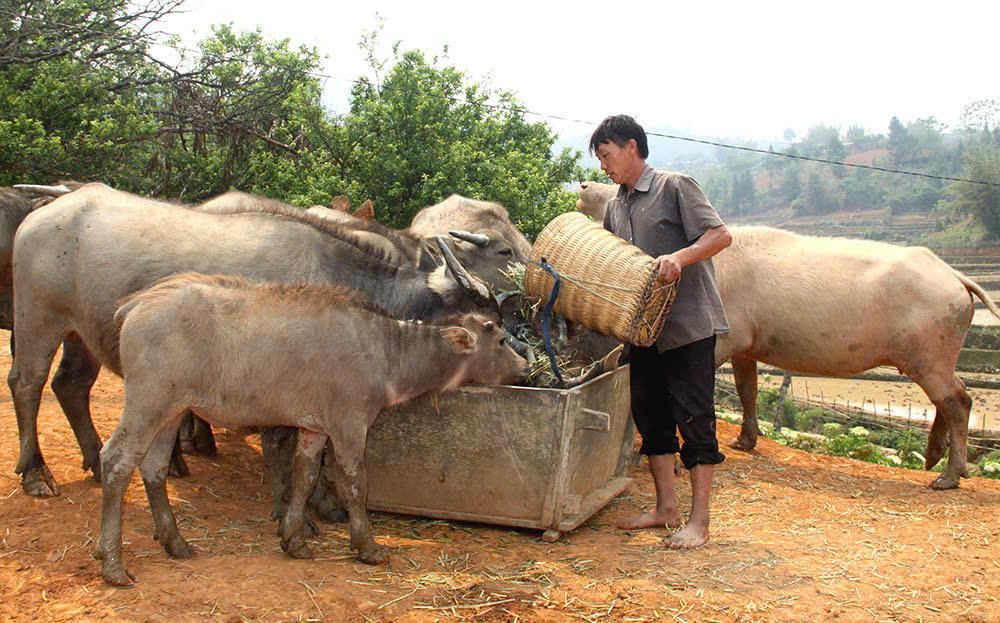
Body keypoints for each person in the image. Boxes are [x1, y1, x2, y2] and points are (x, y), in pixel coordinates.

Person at [590, 114, 731, 549]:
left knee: (695, 420)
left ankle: (699, 522)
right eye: (599, 159)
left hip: (687, 329)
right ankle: (665, 509)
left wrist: (680, 258)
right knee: (651, 418)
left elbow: (720, 236)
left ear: (631, 146)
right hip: (643, 331)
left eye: (606, 155)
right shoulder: (615, 206)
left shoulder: (675, 187)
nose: (603, 167)